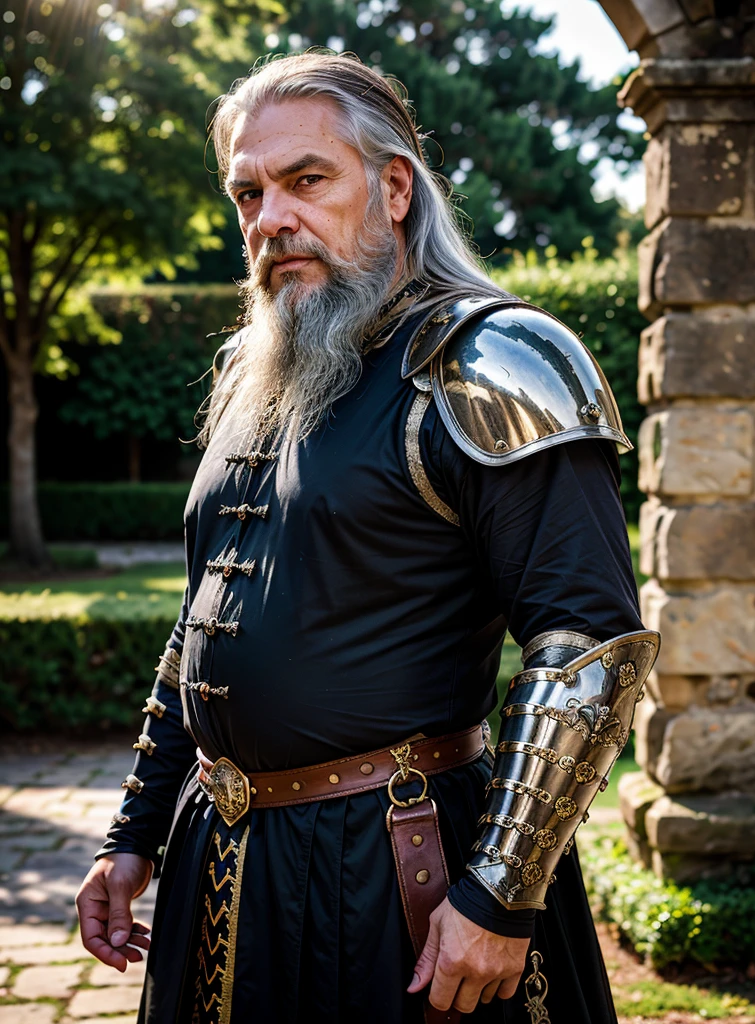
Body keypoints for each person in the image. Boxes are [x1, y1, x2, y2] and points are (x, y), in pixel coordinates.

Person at [76, 51, 659, 1024]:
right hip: (223, 873)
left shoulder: (493, 362)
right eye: (248, 192)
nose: (270, 218)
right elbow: (203, 620)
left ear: (394, 187)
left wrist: (496, 894)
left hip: (403, 869)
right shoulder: (262, 374)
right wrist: (134, 830)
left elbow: (585, 639)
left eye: (306, 179)